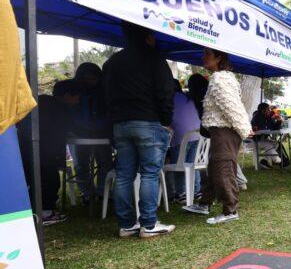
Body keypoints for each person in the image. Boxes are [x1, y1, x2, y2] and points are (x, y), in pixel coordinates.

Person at [102, 21, 176, 238]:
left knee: (124, 175)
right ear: (149, 36)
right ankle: (149, 224)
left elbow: (104, 95)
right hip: (148, 122)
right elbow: (165, 91)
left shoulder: (112, 62)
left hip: (120, 124)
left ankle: (127, 225)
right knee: (150, 174)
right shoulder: (154, 59)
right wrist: (165, 120)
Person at [183, 48, 252, 225]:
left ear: (219, 58)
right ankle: (204, 203)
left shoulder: (220, 78)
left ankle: (230, 210)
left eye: (207, 54)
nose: (203, 57)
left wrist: (244, 129)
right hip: (221, 130)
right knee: (214, 167)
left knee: (223, 168)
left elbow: (231, 106)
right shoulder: (223, 77)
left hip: (224, 131)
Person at [20, 80, 83, 226]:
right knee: (50, 180)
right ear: (67, 96)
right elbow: (72, 128)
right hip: (48, 151)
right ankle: (46, 212)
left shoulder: (39, 101)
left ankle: (32, 211)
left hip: (26, 148)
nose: (78, 101)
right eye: (77, 98)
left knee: (32, 180)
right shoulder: (61, 109)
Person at [71, 62, 111, 203]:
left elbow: (107, 113)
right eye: (89, 79)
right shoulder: (73, 91)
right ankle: (87, 193)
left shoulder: (103, 92)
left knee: (105, 163)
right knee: (81, 164)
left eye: (95, 79)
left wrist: (99, 126)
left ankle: (102, 192)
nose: (92, 82)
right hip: (78, 134)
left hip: (101, 134)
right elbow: (71, 115)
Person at [166, 80, 201, 202]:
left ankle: (181, 193)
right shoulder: (186, 97)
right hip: (197, 136)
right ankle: (196, 190)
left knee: (178, 165)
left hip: (181, 138)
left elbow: (165, 121)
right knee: (192, 165)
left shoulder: (168, 100)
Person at [251, 102, 283, 168]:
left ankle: (265, 161)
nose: (270, 111)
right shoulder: (256, 117)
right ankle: (277, 159)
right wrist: (270, 120)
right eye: (268, 109)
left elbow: (273, 128)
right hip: (253, 140)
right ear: (263, 111)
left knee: (276, 143)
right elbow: (262, 128)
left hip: (261, 139)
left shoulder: (267, 117)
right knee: (268, 144)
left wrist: (278, 121)